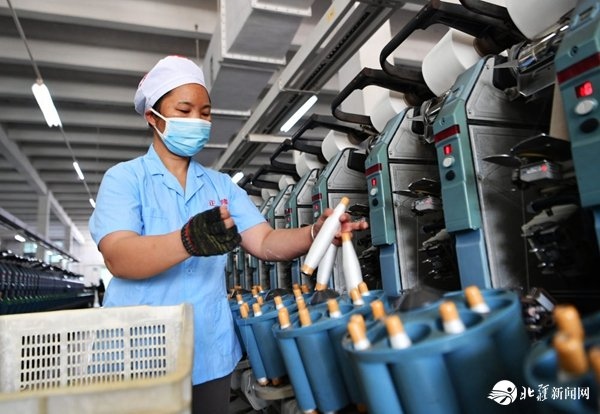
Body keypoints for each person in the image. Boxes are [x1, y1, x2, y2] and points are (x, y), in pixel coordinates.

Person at [89, 55, 368, 414]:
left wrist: (316, 233)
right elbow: (118, 256)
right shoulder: (125, 179)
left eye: (205, 113)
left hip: (208, 354)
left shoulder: (220, 186)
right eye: (184, 110)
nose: (197, 120)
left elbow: (264, 242)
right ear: (153, 117)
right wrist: (188, 240)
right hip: (139, 354)